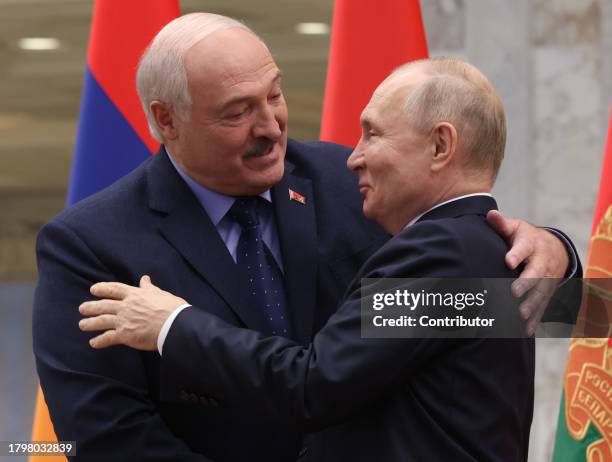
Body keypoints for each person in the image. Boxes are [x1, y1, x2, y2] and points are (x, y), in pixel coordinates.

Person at [35, 12, 575, 462]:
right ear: (167, 120)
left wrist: (556, 253)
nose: (270, 125)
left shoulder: (359, 188)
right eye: (238, 112)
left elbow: (494, 311)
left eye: (274, 95)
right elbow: (104, 437)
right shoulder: (88, 245)